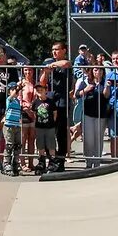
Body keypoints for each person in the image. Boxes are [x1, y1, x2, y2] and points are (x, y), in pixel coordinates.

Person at [40, 41, 73, 172]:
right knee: (48, 133)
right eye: (53, 50)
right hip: (50, 102)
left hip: (62, 102)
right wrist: (46, 72)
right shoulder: (49, 65)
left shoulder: (65, 63)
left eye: (57, 49)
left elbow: (66, 64)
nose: (54, 52)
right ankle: (51, 159)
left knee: (61, 134)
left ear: (64, 50)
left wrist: (52, 64)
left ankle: (60, 159)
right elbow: (42, 83)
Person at [79, 66, 109, 169]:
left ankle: (97, 162)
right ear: (92, 71)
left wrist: (107, 87)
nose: (98, 72)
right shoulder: (86, 81)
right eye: (96, 69)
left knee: (98, 139)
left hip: (101, 115)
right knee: (88, 139)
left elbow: (106, 96)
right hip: (88, 114)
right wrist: (86, 90)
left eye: (100, 70)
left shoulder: (106, 82)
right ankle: (88, 162)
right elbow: (76, 94)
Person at [1, 85, 24, 176]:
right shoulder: (9, 99)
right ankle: (6, 163)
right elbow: (12, 95)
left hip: (17, 125)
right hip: (9, 125)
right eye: (13, 90)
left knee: (17, 145)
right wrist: (18, 88)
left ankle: (15, 162)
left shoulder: (18, 101)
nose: (15, 92)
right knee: (9, 145)